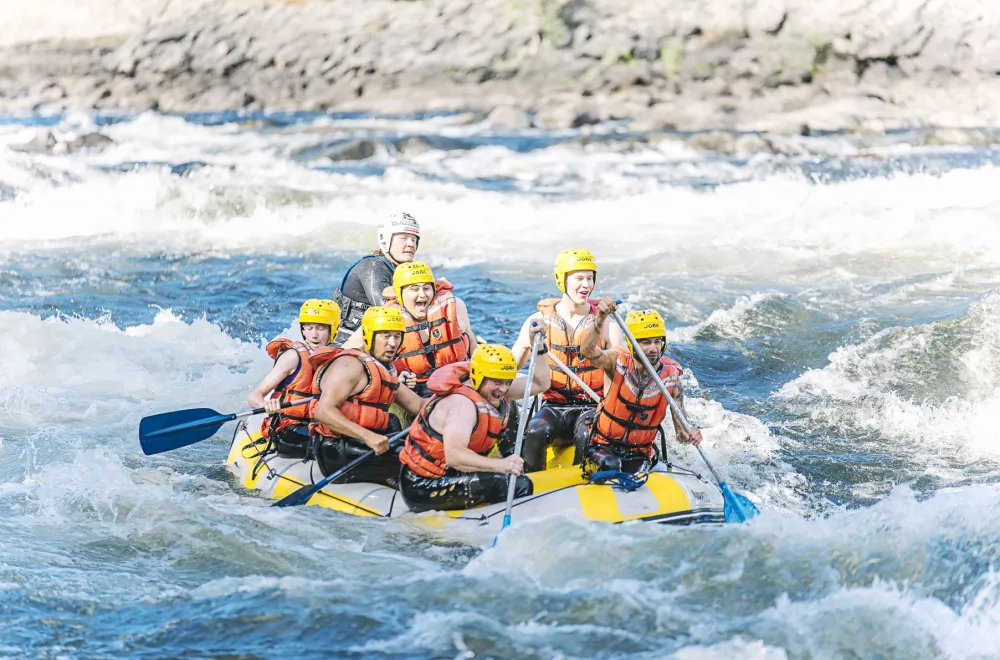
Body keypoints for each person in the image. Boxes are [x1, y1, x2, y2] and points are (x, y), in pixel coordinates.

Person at [398, 331, 551, 513]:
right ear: (478, 376)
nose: (503, 389)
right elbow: (454, 456)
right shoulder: (462, 405)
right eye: (497, 382)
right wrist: (501, 465)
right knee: (518, 485)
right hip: (423, 486)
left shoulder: (491, 391)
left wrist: (539, 346)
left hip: (452, 474)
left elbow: (541, 384)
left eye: (507, 382)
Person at [510, 248, 617, 472]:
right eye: (579, 278)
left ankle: (582, 484)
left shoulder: (608, 324)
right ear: (562, 280)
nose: (586, 285)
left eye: (590, 278)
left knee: (585, 433)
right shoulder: (537, 321)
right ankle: (530, 485)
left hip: (592, 406)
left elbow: (622, 370)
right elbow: (512, 366)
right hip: (555, 406)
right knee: (536, 432)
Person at [578, 301, 703, 476]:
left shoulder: (672, 380)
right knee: (611, 465)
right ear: (631, 343)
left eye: (657, 342)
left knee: (637, 474)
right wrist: (601, 318)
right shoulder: (616, 362)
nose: (653, 349)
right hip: (603, 447)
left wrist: (691, 433)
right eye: (645, 343)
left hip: (639, 454)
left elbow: (681, 436)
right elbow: (587, 351)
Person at [308, 306, 425, 487]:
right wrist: (368, 436)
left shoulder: (384, 369)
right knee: (415, 457)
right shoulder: (350, 365)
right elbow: (323, 411)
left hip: (364, 446)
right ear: (369, 336)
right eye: (385, 336)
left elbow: (418, 405)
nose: (392, 343)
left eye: (397, 336)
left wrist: (456, 397)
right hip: (337, 451)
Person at [248, 299, 339, 458]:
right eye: (309, 328)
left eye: (321, 328)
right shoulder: (293, 357)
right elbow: (255, 396)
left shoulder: (338, 360)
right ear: (303, 330)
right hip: (288, 429)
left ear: (333, 330)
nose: (314, 334)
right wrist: (266, 405)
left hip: (319, 426)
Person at [379, 261, 478, 397]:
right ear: (399, 294)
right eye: (414, 289)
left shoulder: (456, 306)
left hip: (457, 385)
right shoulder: (385, 318)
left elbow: (473, 347)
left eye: (426, 288)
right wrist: (396, 379)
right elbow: (361, 358)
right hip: (414, 395)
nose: (422, 295)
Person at [332, 212, 421, 347]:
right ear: (385, 240)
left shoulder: (402, 270)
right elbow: (388, 310)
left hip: (379, 342)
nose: (411, 244)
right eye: (403, 238)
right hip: (345, 342)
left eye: (414, 240)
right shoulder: (373, 266)